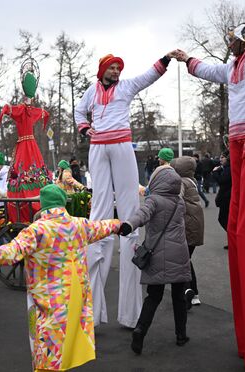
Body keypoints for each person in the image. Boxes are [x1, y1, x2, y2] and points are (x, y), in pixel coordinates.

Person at [176, 2, 245, 370]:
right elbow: (207, 70)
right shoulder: (232, 67)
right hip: (238, 142)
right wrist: (186, 59)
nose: (230, 45)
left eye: (234, 39)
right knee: (236, 227)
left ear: (244, 40)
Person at [74, 50, 181, 328]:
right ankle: (94, 313)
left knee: (129, 211)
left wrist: (166, 59)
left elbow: (149, 76)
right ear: (102, 70)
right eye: (112, 68)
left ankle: (129, 314)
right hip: (97, 148)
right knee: (98, 208)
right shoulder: (91, 91)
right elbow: (78, 111)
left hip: (121, 145)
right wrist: (85, 129)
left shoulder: (127, 86)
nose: (116, 72)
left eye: (118, 68)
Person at [0, 184, 121, 371]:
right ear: (62, 203)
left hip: (48, 300)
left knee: (47, 346)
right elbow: (104, 226)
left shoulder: (36, 231)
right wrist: (120, 223)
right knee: (68, 342)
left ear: (43, 205)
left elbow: (10, 252)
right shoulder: (80, 224)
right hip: (75, 296)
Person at [119, 165, 191, 354]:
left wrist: (128, 225)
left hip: (157, 252)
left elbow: (142, 215)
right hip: (179, 253)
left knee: (154, 296)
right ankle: (181, 335)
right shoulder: (179, 202)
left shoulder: (154, 200)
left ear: (157, 181)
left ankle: (140, 330)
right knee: (179, 297)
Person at [171, 156, 205, 306]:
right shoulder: (192, 180)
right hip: (195, 225)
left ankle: (187, 292)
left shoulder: (181, 182)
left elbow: (177, 200)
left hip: (187, 226)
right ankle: (193, 292)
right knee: (186, 260)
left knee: (182, 261)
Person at [212, 151, 232, 250]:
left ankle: (233, 238)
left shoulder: (229, 169)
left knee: (224, 219)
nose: (220, 159)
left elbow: (221, 181)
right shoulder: (227, 168)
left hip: (227, 198)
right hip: (227, 197)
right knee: (226, 219)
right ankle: (232, 239)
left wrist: (215, 172)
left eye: (222, 157)